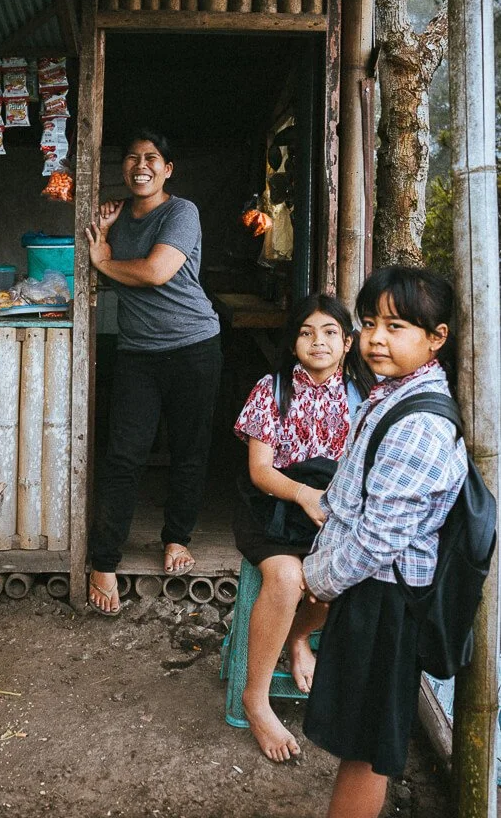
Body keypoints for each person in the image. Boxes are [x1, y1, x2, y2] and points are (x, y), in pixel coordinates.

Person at [301, 267, 468, 818]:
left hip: (384, 601)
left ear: (436, 337)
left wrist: (317, 578)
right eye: (370, 323)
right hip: (370, 593)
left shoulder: (420, 424)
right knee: (360, 739)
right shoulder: (394, 392)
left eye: (396, 326)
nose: (376, 338)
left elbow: (378, 540)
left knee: (367, 749)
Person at [85, 129, 222, 616]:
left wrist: (104, 261)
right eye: (131, 158)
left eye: (152, 158)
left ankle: (176, 538)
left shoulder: (182, 213)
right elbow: (105, 257)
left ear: (168, 169)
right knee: (124, 455)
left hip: (194, 346)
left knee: (190, 449)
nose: (140, 165)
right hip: (139, 352)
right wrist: (102, 242)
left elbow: (156, 271)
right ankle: (104, 562)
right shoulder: (115, 217)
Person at [233, 293, 373, 762]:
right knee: (288, 577)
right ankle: (255, 699)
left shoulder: (364, 396)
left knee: (351, 570)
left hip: (330, 511)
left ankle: (297, 637)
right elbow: (260, 471)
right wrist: (301, 494)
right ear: (293, 342)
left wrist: (333, 511)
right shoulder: (270, 390)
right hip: (271, 509)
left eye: (331, 332)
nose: (319, 341)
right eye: (307, 332)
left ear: (348, 342)